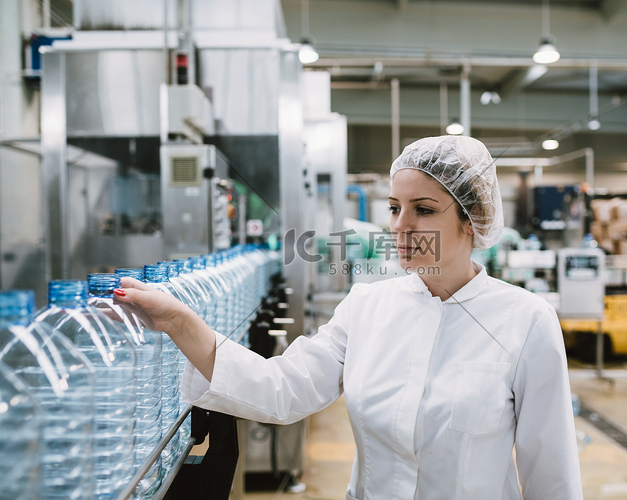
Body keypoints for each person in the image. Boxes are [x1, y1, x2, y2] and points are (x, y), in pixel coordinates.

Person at [114, 135, 583, 499]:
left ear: (471, 218)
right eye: (395, 208)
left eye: (423, 210)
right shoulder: (368, 306)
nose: (399, 228)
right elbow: (282, 390)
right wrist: (178, 320)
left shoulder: (524, 321)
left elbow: (551, 474)